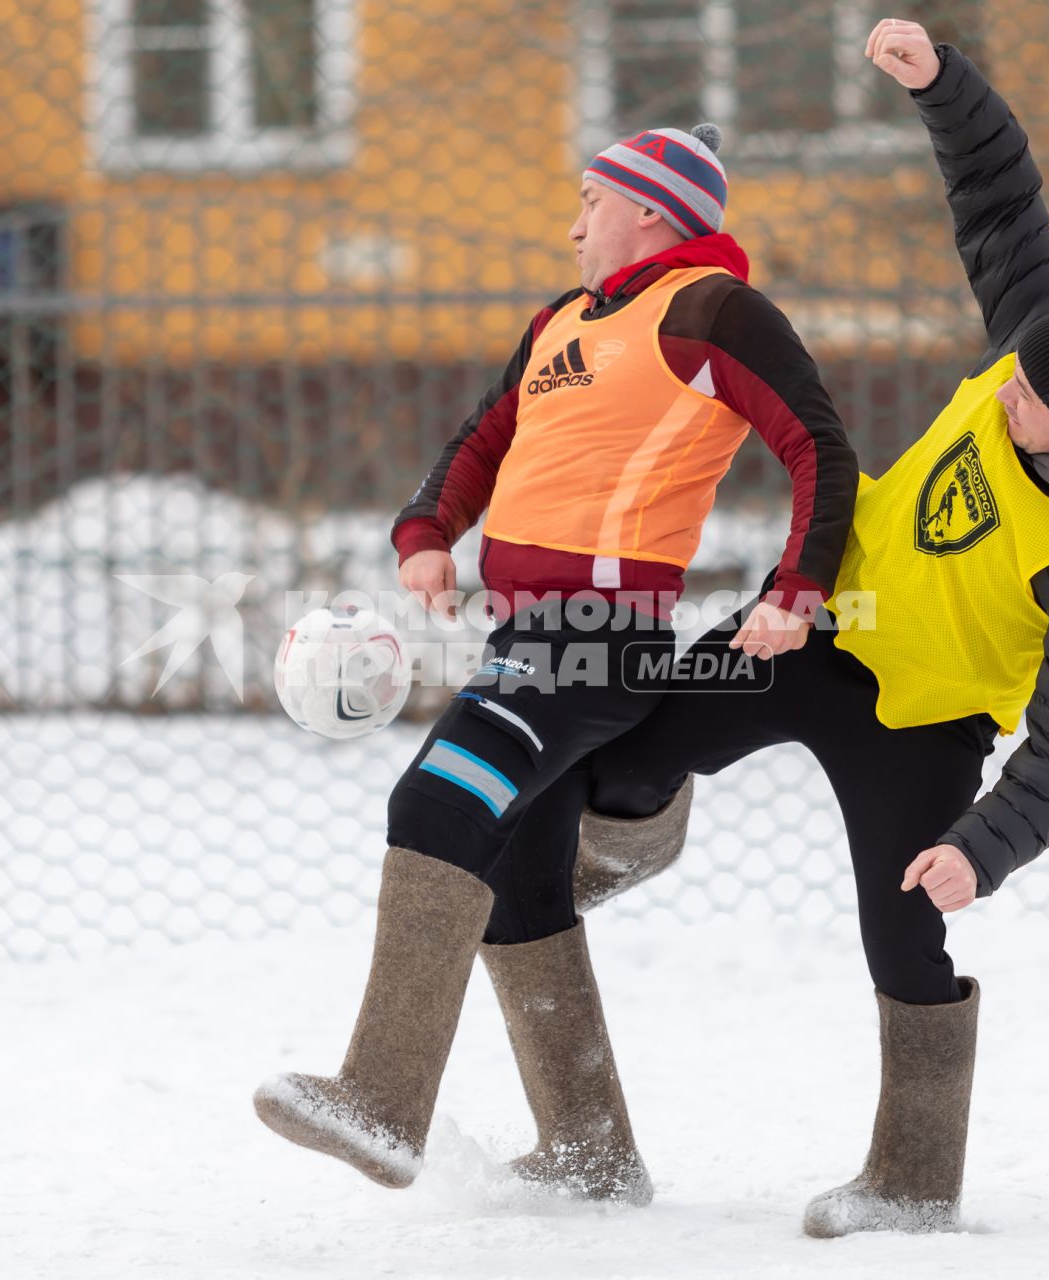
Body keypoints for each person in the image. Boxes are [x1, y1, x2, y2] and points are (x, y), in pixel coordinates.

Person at [572, 19, 1049, 1236]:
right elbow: (1004, 205)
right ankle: (602, 857)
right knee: (640, 743)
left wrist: (987, 845)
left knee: (904, 921)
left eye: (1029, 403)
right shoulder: (1043, 337)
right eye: (1013, 371)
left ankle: (912, 1174)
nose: (1003, 385)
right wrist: (943, 85)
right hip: (821, 624)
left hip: (928, 716)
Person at [254, 123, 859, 1203]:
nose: (573, 222)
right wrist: (428, 528)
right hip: (527, 635)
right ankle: (592, 1155)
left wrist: (796, 590)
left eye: (591, 198)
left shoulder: (713, 310)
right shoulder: (559, 323)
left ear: (652, 212)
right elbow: (483, 437)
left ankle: (382, 1099)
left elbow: (819, 442)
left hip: (594, 639)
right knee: (520, 886)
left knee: (435, 802)